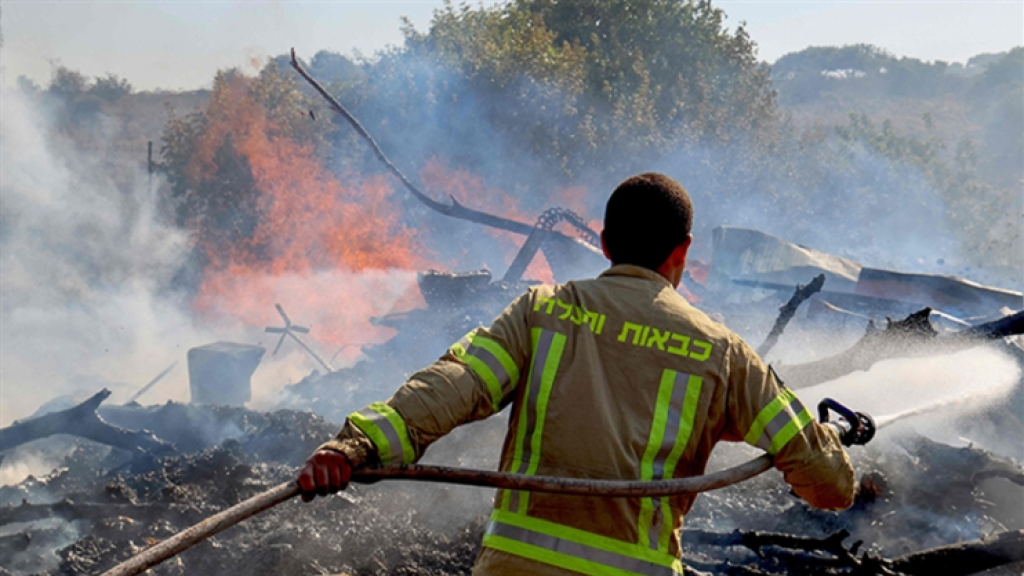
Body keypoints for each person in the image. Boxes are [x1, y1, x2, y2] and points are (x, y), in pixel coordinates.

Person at [298, 173, 857, 576]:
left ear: (607, 243)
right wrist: (833, 445)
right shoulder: (723, 351)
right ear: (682, 250)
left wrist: (356, 445)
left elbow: (453, 384)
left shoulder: (544, 310)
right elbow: (827, 485)